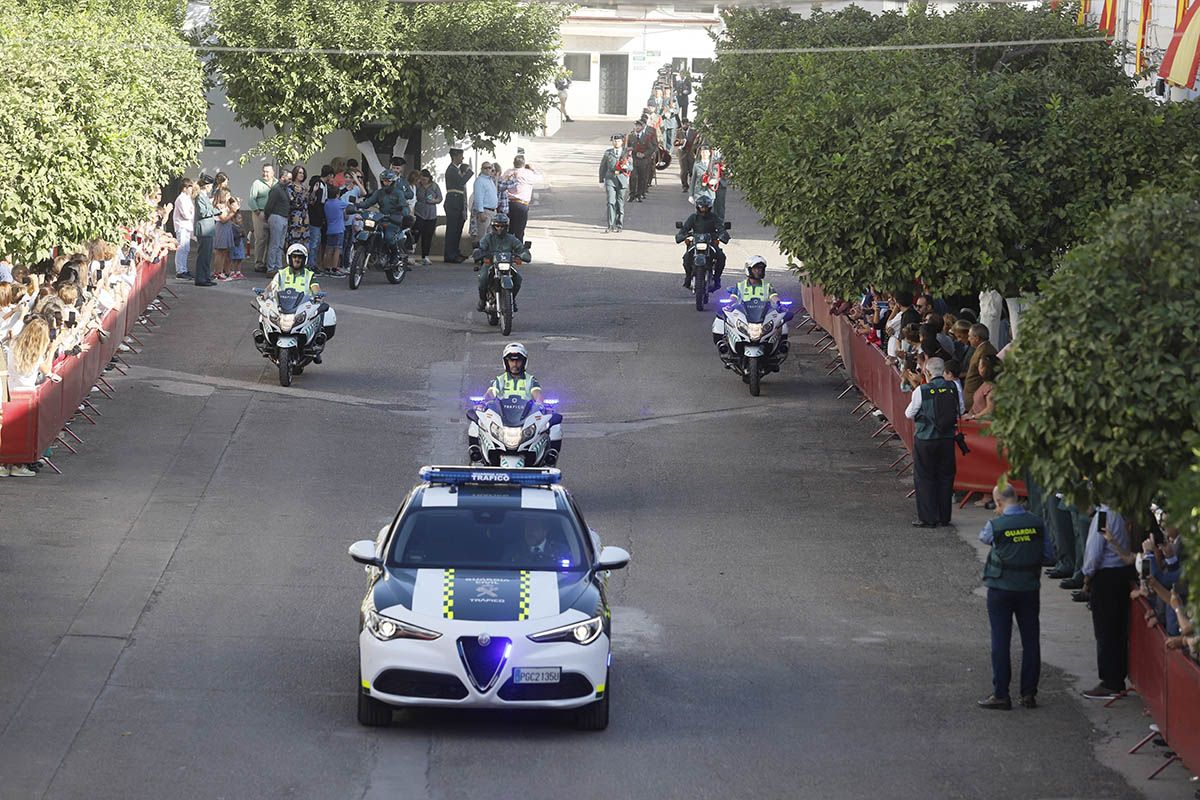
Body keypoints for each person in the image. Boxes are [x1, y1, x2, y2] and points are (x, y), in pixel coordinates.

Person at [977, 482, 1052, 710]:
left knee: (1001, 640)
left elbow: (984, 538)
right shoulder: (1037, 523)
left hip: (1001, 588)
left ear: (998, 502)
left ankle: (1001, 694)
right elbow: (1049, 554)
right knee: (1030, 641)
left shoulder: (996, 524)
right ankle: (1028, 694)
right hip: (1029, 587)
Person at [468, 342, 562, 466]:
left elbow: (537, 395)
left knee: (554, 427)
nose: (515, 364)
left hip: (525, 417)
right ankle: (478, 459)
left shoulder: (530, 380)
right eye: (511, 361)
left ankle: (548, 461)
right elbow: (491, 393)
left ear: (524, 362)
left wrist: (544, 405)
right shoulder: (500, 379)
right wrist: (482, 403)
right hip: (502, 417)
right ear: (506, 362)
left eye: (518, 361)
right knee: (476, 422)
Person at [1080, 505, 1136, 699]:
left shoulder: (1103, 515)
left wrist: (1086, 577)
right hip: (1121, 575)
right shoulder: (1121, 512)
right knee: (1118, 630)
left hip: (1106, 577)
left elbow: (1094, 552)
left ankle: (1110, 681)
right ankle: (1117, 677)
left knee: (1105, 630)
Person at [904, 356, 962, 528]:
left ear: (927, 372)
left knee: (925, 477)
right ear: (943, 372)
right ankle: (944, 517)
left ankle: (928, 518)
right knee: (945, 477)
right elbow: (961, 409)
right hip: (947, 438)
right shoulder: (953, 387)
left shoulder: (921, 391)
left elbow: (909, 414)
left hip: (926, 439)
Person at [269, 244, 336, 354]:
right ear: (289, 258)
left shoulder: (310, 275)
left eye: (300, 257)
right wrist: (264, 295)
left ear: (304, 259)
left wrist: (318, 296)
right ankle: (268, 343)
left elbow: (316, 289)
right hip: (283, 308)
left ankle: (315, 343)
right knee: (264, 315)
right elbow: (271, 287)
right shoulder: (281, 273)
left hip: (302, 309)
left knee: (325, 313)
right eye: (294, 256)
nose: (297, 259)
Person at [473, 214, 530, 312]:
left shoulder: (511, 239)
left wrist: (523, 254)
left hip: (506, 266)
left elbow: (521, 248)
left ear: (506, 227)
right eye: (497, 226)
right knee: (483, 278)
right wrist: (479, 253)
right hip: (490, 264)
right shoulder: (488, 238)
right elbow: (480, 247)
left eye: (502, 226)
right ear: (493, 226)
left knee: (518, 279)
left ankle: (512, 299)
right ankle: (482, 300)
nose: (500, 228)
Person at [354, 169, 411, 265]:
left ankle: (394, 255)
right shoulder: (379, 192)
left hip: (394, 219)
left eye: (388, 181)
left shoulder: (399, 193)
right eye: (384, 181)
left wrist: (402, 212)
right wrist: (356, 205)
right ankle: (373, 252)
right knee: (372, 231)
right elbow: (368, 202)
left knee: (388, 237)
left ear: (393, 182)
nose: (386, 183)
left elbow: (405, 207)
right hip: (381, 217)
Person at [675, 195, 728, 291]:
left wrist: (723, 235)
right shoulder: (693, 217)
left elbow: (721, 228)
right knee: (686, 257)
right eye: (701, 207)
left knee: (721, 257)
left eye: (705, 207)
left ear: (709, 207)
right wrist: (682, 235)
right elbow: (684, 229)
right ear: (698, 207)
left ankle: (716, 278)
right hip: (696, 243)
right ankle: (688, 276)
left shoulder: (714, 217)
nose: (703, 209)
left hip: (710, 243)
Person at [501, 155, 541, 241]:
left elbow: (501, 182)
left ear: (514, 163)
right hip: (522, 204)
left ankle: (508, 249)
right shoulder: (528, 173)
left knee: (509, 229)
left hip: (509, 204)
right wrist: (533, 169)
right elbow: (539, 178)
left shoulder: (508, 172)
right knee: (519, 231)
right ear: (523, 164)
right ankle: (518, 250)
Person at [443, 148, 473, 262]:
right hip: (453, 202)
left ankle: (455, 252)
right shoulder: (451, 170)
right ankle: (450, 255)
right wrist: (469, 171)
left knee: (457, 229)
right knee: (452, 230)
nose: (462, 158)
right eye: (461, 156)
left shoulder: (456, 170)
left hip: (458, 201)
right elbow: (461, 182)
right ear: (455, 156)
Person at [599, 134, 631, 234]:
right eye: (614, 141)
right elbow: (602, 166)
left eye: (618, 141)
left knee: (619, 203)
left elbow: (631, 167)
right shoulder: (608, 153)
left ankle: (619, 224)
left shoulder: (626, 154)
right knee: (610, 202)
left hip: (621, 179)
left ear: (622, 142)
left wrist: (626, 167)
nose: (616, 143)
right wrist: (601, 180)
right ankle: (610, 225)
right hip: (610, 179)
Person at [963, 323, 997, 412]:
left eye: (970, 336)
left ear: (977, 338)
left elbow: (986, 373)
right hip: (973, 395)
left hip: (978, 396)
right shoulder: (981, 348)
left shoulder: (986, 351)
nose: (968, 339)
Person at [264, 170, 292, 274]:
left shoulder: (284, 189)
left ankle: (278, 266)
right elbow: (269, 206)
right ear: (282, 178)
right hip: (276, 217)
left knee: (280, 244)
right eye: (289, 178)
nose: (290, 181)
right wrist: (268, 217)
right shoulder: (276, 189)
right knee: (274, 244)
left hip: (283, 217)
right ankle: (271, 268)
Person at [413, 169, 442, 266]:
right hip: (419, 212)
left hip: (431, 214)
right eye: (422, 179)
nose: (423, 181)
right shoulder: (417, 186)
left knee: (428, 235)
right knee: (416, 233)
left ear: (429, 178)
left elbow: (440, 198)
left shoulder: (434, 186)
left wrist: (434, 200)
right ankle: (410, 254)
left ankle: (425, 256)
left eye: (425, 179)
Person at [193, 174, 217, 286]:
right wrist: (216, 211)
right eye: (210, 186)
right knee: (203, 255)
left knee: (207, 255)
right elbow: (203, 213)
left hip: (208, 229)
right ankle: (200, 278)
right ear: (207, 186)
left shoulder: (205, 196)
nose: (211, 188)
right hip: (203, 229)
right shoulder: (200, 197)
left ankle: (206, 277)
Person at [171, 178, 197, 280]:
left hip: (187, 226)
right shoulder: (181, 199)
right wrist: (191, 213)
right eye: (189, 187)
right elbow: (186, 214)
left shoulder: (187, 198)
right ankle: (180, 270)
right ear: (185, 188)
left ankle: (184, 269)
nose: (191, 190)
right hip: (181, 226)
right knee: (181, 248)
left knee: (186, 249)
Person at [322, 185, 350, 276]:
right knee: (337, 249)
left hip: (330, 229)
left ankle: (327, 267)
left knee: (329, 249)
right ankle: (334, 268)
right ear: (337, 194)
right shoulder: (340, 203)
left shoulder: (327, 203)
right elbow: (350, 207)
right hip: (339, 229)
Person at [471, 162, 498, 250]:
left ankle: (487, 255)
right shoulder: (480, 181)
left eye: (490, 168)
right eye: (485, 168)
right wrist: (481, 212)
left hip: (492, 211)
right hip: (485, 211)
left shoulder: (490, 180)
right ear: (482, 169)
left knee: (490, 236)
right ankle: (481, 256)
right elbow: (479, 197)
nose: (488, 170)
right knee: (482, 236)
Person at [628, 119, 655, 202]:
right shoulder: (631, 136)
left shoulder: (646, 137)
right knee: (632, 177)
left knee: (641, 178)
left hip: (643, 161)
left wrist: (644, 154)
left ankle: (639, 195)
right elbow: (627, 147)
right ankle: (631, 194)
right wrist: (629, 150)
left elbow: (651, 148)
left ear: (642, 127)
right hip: (633, 160)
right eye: (636, 126)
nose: (637, 127)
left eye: (639, 126)